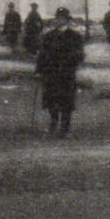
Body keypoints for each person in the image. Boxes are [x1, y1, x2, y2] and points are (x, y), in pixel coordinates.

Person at [36, 8, 86, 136]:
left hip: (66, 74)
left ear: (67, 20)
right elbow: (42, 54)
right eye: (57, 18)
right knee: (51, 99)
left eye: (62, 18)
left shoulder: (75, 36)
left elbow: (80, 55)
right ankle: (53, 123)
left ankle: (65, 127)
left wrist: (72, 62)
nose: (59, 20)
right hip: (51, 73)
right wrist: (39, 70)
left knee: (67, 100)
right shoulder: (48, 36)